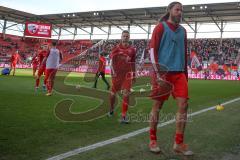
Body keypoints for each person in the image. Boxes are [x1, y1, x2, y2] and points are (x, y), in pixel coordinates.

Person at [149, 2, 193, 156]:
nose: (180, 12)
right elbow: (152, 50)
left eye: (181, 10)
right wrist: (158, 74)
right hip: (164, 74)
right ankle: (153, 139)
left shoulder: (183, 31)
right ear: (169, 11)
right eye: (177, 9)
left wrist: (186, 75)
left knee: (184, 105)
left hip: (179, 73)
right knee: (157, 107)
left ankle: (178, 143)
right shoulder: (160, 27)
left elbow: (184, 54)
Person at [109, 30, 136, 123]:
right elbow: (111, 61)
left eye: (127, 36)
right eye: (124, 36)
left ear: (129, 37)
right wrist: (112, 71)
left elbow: (133, 63)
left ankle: (124, 116)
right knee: (112, 94)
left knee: (126, 93)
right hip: (117, 75)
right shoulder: (116, 48)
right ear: (121, 37)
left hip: (127, 75)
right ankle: (111, 109)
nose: (125, 38)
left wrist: (134, 74)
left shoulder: (132, 49)